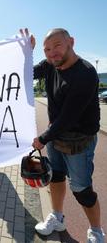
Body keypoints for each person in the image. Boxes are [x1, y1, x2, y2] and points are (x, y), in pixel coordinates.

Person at [20, 28, 105, 242]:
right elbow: (25, 74)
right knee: (55, 178)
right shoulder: (50, 65)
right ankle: (57, 218)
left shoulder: (85, 73)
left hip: (79, 141)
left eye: (57, 46)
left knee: (82, 189)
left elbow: (68, 118)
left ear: (71, 42)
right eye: (47, 49)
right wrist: (26, 52)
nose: (52, 53)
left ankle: (96, 231)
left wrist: (42, 139)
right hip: (56, 137)